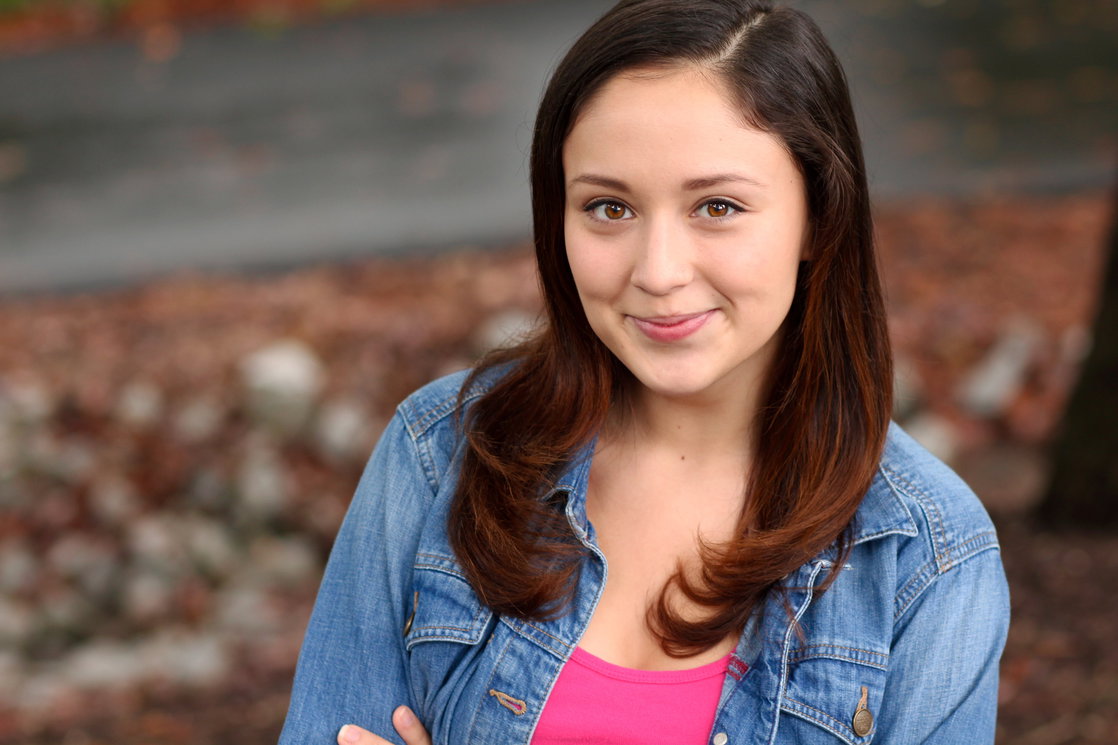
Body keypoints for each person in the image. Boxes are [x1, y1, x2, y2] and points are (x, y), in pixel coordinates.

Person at [278, 1, 1010, 743]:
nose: (658, 272)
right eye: (609, 207)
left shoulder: (927, 554)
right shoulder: (441, 453)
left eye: (717, 206)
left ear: (818, 217)